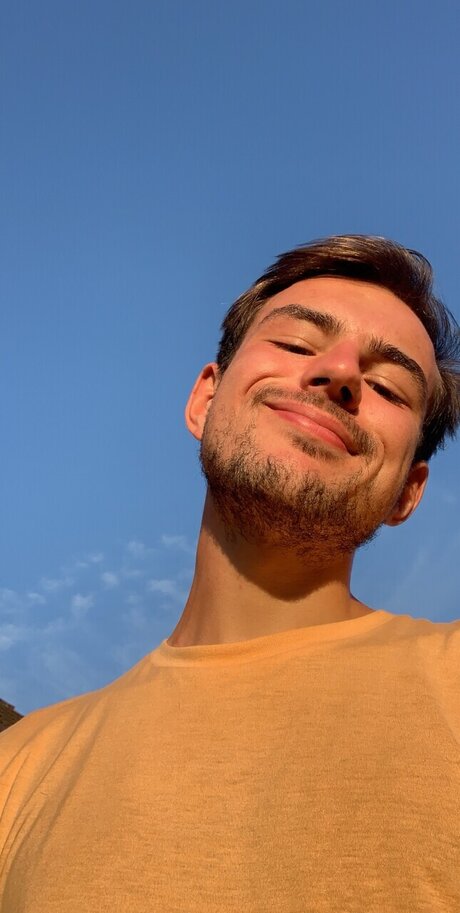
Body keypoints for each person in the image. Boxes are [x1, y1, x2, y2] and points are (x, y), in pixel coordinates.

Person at [0, 234, 459, 912]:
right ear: (204, 399)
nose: (340, 372)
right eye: (296, 343)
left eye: (389, 386)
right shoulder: (18, 769)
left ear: (407, 493)